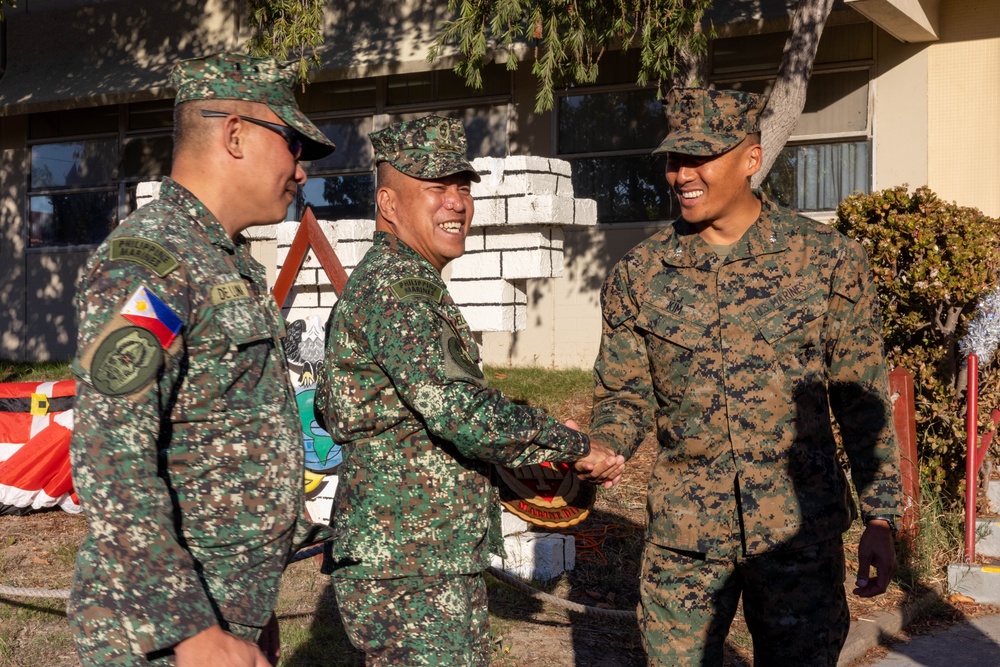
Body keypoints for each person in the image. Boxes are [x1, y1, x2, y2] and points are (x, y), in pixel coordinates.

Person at [589, 88, 903, 666]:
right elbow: (623, 397)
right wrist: (605, 445)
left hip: (796, 537)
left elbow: (861, 399)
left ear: (751, 159)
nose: (679, 174)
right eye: (672, 160)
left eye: (698, 158)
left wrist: (881, 515)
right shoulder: (639, 276)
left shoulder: (828, 260)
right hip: (685, 541)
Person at [313, 114, 625, 666]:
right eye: (436, 188)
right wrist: (573, 446)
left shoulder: (395, 280)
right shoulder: (401, 292)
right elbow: (464, 413)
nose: (456, 203)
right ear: (388, 204)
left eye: (462, 188)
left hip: (410, 553)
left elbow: (382, 414)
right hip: (412, 564)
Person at [67, 52, 337, 667]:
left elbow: (223, 433)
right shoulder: (152, 264)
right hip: (163, 635)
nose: (301, 172)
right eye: (293, 145)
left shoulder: (225, 262)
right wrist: (193, 632)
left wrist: (264, 592)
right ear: (234, 134)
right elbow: (111, 456)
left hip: (230, 611)